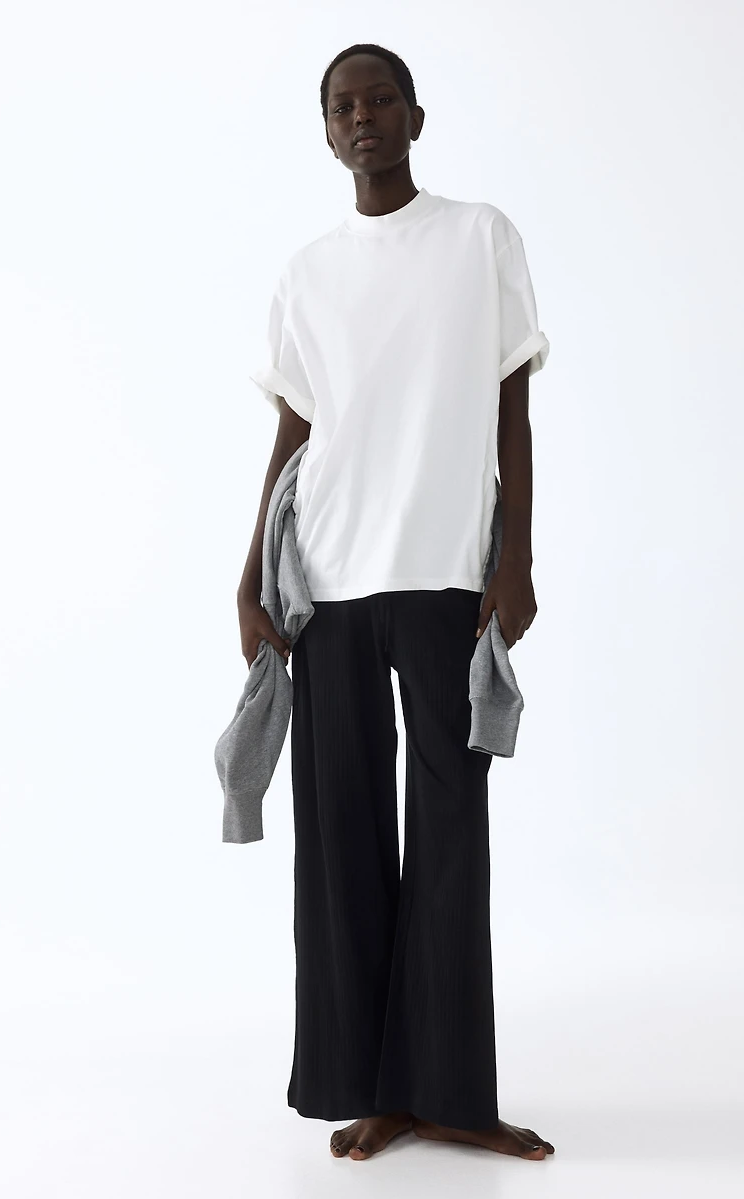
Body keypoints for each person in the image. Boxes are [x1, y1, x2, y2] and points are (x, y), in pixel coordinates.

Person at [236, 42, 555, 1164]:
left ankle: (454, 1092)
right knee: (342, 840)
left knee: (451, 829)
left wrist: (514, 557)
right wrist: (249, 574)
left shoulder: (479, 238)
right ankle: (376, 1089)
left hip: (442, 576)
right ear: (326, 132)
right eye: (342, 105)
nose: (361, 116)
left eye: (380, 99)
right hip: (325, 582)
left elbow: (511, 404)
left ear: (415, 118)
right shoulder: (307, 272)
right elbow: (295, 431)